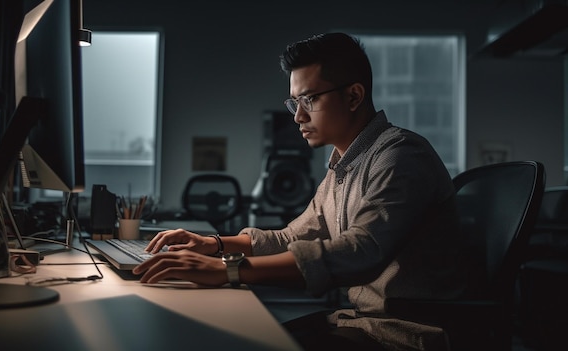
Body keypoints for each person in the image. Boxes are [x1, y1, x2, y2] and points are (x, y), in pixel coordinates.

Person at [133, 32, 465, 351]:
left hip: (403, 335)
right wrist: (216, 244)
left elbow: (362, 251)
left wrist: (228, 270)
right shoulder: (344, 164)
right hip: (358, 323)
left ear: (354, 96)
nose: (299, 117)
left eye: (310, 99)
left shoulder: (401, 156)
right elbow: (293, 237)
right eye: (295, 102)